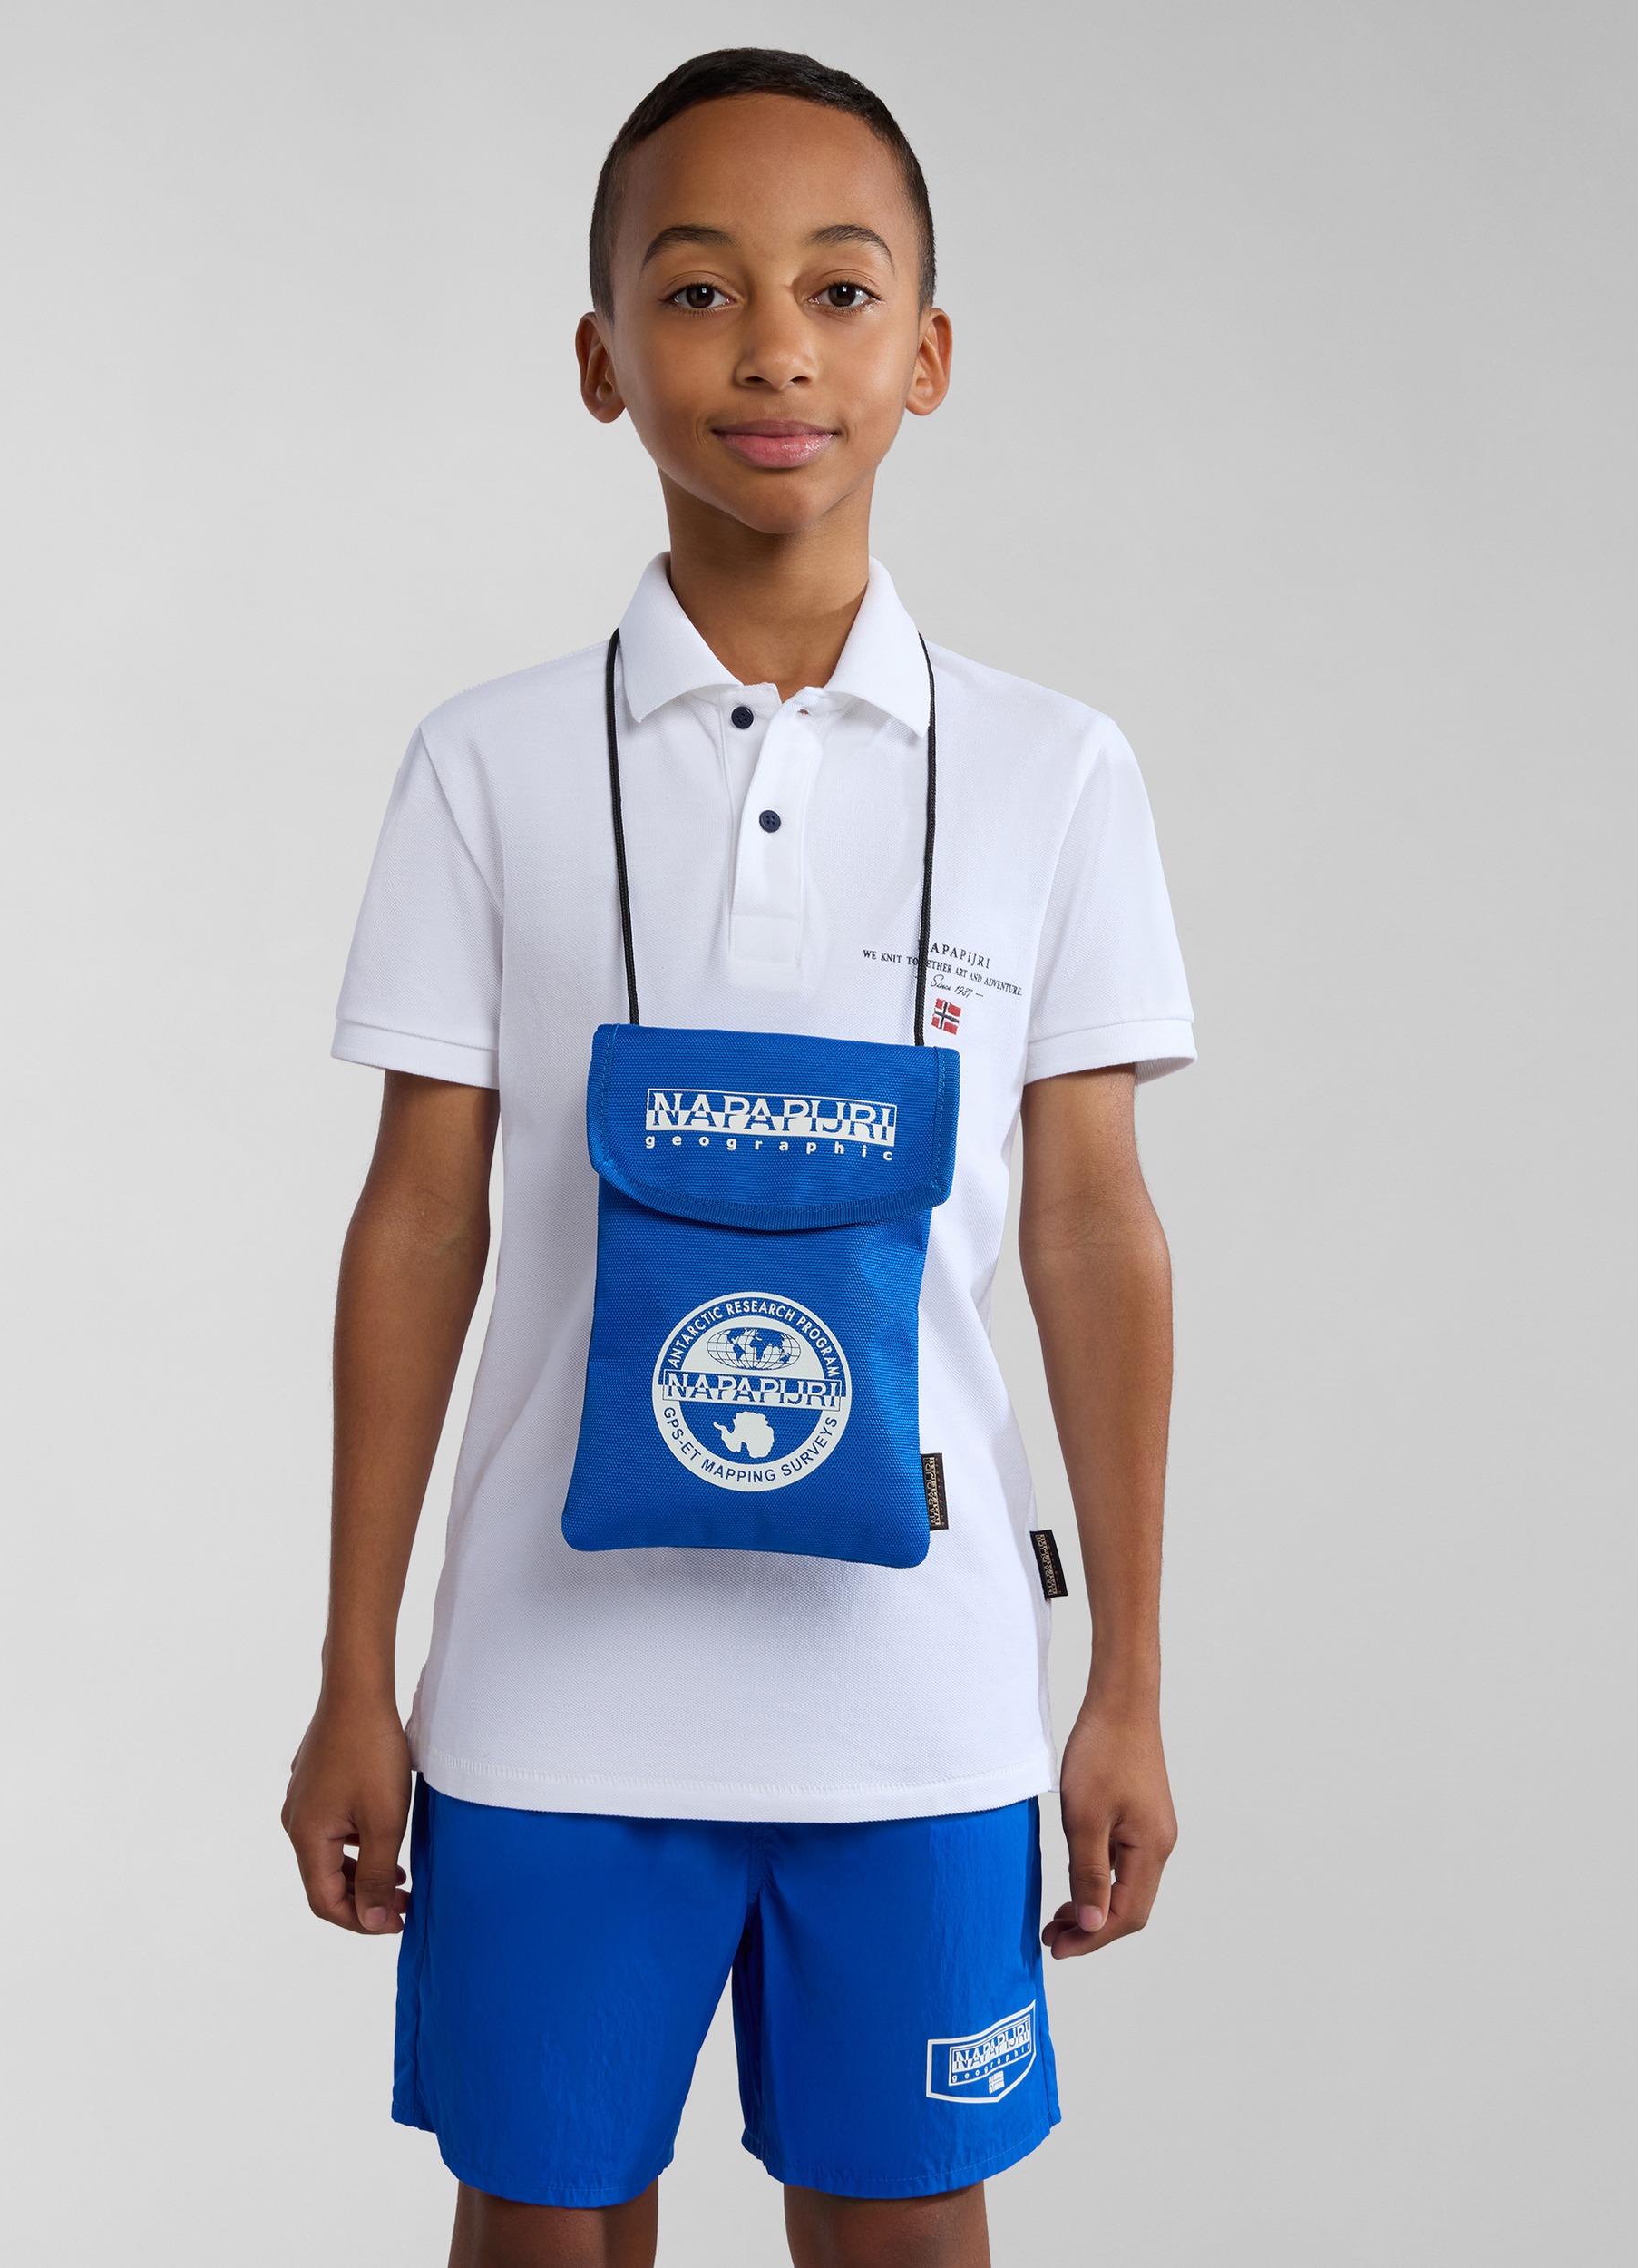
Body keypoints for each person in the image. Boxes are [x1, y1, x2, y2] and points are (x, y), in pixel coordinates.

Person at [283, 46, 1193, 2268]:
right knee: (542, 2223)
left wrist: (1128, 1682)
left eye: (838, 289)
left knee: (905, 2226)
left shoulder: (1054, 774)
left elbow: (1090, 1227)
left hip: (916, 1699)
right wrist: (354, 1666)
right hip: (550, 1688)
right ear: (602, 358)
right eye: (696, 291)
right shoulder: (489, 766)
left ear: (926, 353)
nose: (774, 346)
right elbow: (419, 1219)